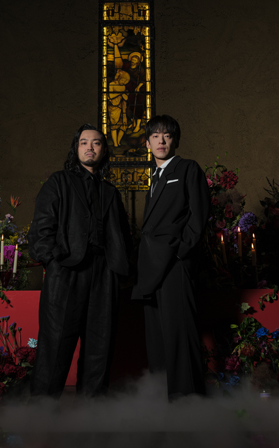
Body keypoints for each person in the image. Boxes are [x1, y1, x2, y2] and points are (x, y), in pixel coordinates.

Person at [28, 124, 132, 398]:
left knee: (100, 344)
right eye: (84, 142)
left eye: (96, 143)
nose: (90, 147)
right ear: (76, 149)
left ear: (103, 150)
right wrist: (53, 262)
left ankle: (92, 413)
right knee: (55, 343)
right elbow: (41, 229)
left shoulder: (111, 192)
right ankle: (42, 410)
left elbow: (124, 236)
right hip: (66, 270)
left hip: (105, 273)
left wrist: (120, 270)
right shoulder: (58, 182)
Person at [132, 115, 210, 400]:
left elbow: (199, 217)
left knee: (180, 332)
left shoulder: (187, 168)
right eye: (155, 136)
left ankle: (187, 400)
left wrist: (180, 253)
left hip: (175, 264)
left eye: (167, 135)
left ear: (175, 140)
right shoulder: (154, 178)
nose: (161, 140)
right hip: (152, 268)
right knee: (158, 336)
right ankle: (161, 398)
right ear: (148, 143)